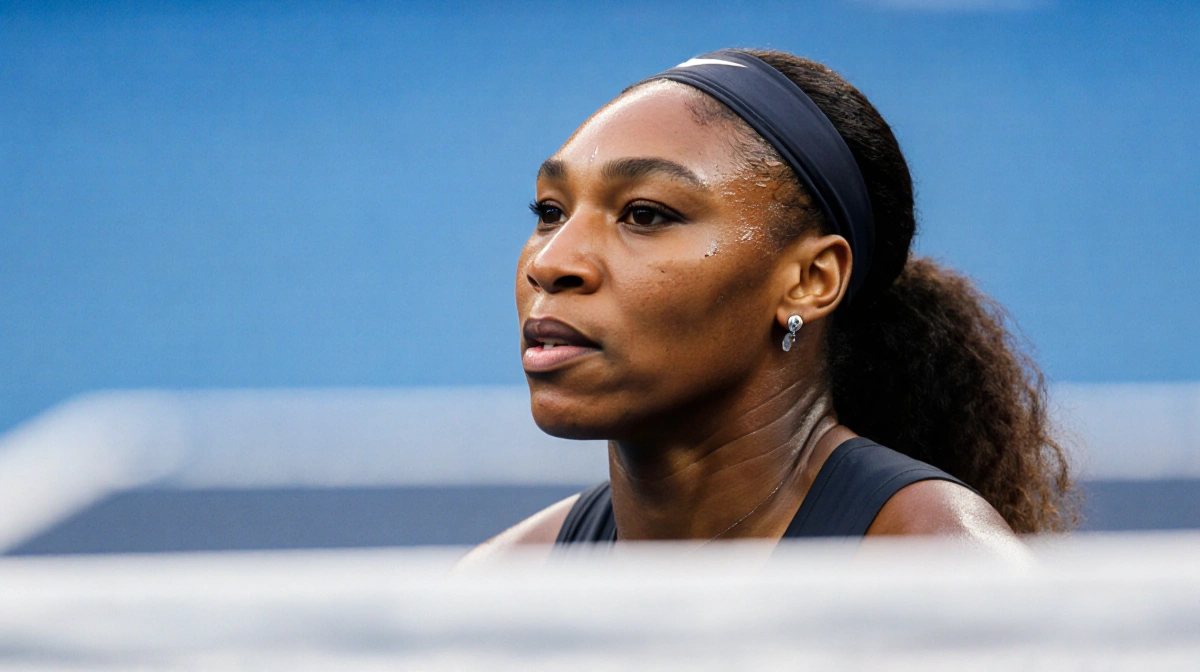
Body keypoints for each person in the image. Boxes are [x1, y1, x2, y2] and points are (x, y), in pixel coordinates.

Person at [462, 48, 1073, 563]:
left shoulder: (939, 567)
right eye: (550, 213)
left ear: (809, 280)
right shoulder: (504, 586)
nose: (550, 263)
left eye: (644, 215)